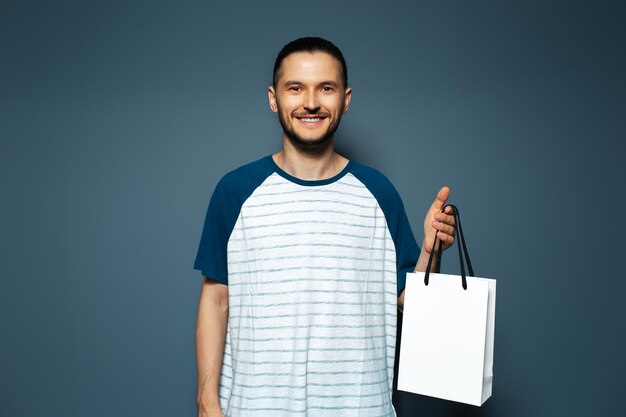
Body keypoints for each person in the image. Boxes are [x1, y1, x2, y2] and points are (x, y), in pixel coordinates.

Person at [193, 37, 457, 417]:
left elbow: (407, 304)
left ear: (345, 100)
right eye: (295, 88)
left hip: (360, 408)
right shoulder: (235, 191)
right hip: (255, 408)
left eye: (326, 88)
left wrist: (431, 252)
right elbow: (216, 301)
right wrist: (207, 402)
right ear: (273, 98)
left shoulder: (378, 192)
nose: (311, 102)